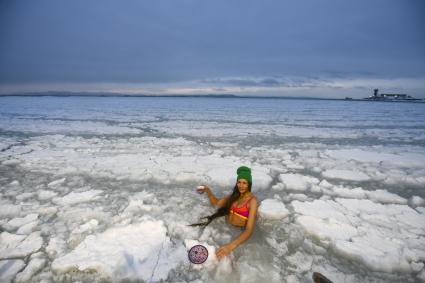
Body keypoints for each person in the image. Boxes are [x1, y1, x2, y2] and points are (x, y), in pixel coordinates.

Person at [190, 166, 258, 260]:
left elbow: (249, 229)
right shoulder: (234, 196)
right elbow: (216, 203)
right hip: (225, 228)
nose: (241, 185)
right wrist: (208, 191)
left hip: (237, 234)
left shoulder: (252, 201)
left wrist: (231, 246)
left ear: (249, 184)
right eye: (239, 182)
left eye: (244, 183)